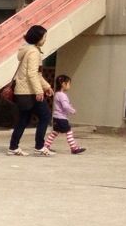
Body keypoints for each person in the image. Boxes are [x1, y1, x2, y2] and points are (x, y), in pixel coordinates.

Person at [8, 24, 53, 157]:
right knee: (45, 116)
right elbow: (33, 74)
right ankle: (39, 146)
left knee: (23, 119)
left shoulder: (27, 50)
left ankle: (13, 147)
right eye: (44, 37)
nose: (45, 39)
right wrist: (40, 91)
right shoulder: (33, 52)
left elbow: (37, 75)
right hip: (29, 92)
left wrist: (46, 87)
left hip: (22, 92)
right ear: (38, 38)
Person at [44, 75, 86, 155]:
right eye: (69, 84)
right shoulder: (62, 95)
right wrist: (72, 110)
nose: (69, 86)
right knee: (69, 132)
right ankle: (74, 148)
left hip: (56, 117)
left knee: (55, 132)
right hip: (62, 118)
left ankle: (46, 146)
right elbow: (65, 106)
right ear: (63, 84)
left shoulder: (57, 94)